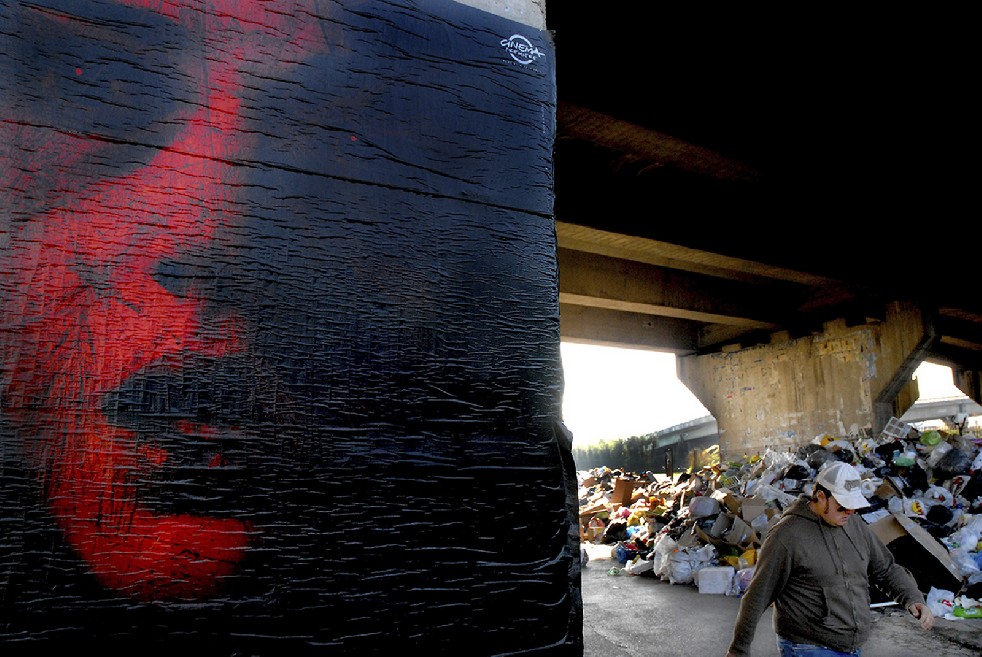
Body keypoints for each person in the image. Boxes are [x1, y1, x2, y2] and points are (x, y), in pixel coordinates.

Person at [726, 460, 935, 657]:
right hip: (807, 647)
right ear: (820, 497)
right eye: (842, 506)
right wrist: (739, 650)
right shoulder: (787, 536)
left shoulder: (855, 525)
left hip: (852, 645)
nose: (849, 512)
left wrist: (912, 598)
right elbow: (757, 595)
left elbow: (885, 568)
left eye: (853, 506)